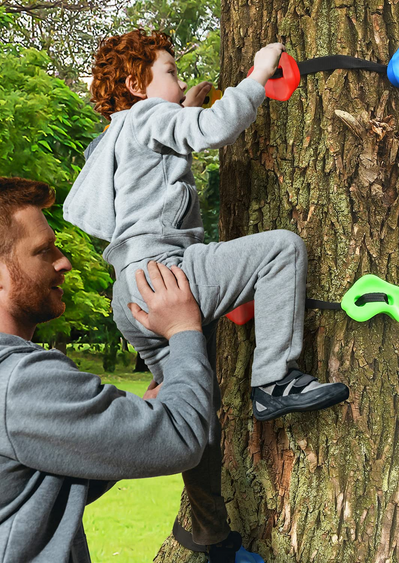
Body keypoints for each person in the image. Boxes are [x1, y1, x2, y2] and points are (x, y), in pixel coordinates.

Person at [62, 29, 349, 551]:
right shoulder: (151, 115)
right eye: (170, 71)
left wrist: (181, 100)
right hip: (169, 272)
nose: (179, 78)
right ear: (135, 82)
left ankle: (211, 534)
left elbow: (174, 138)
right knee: (280, 248)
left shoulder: (118, 132)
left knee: (194, 415)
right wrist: (258, 75)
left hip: (130, 295)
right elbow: (214, 128)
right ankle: (273, 380)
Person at [0, 176, 243, 562]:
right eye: (43, 251)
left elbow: (39, 484)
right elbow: (181, 439)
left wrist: (130, 423)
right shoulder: (19, 381)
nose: (64, 261)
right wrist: (182, 329)